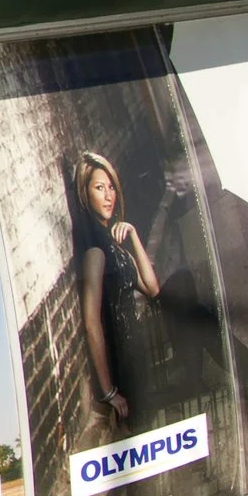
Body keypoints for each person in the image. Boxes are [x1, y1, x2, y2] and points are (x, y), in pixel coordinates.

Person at [73, 150, 162, 423]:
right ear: (85, 194)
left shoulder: (114, 246)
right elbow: (91, 322)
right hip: (122, 366)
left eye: (111, 187)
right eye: (99, 188)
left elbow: (151, 287)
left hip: (138, 357)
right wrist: (109, 391)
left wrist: (133, 234)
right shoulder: (95, 250)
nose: (109, 195)